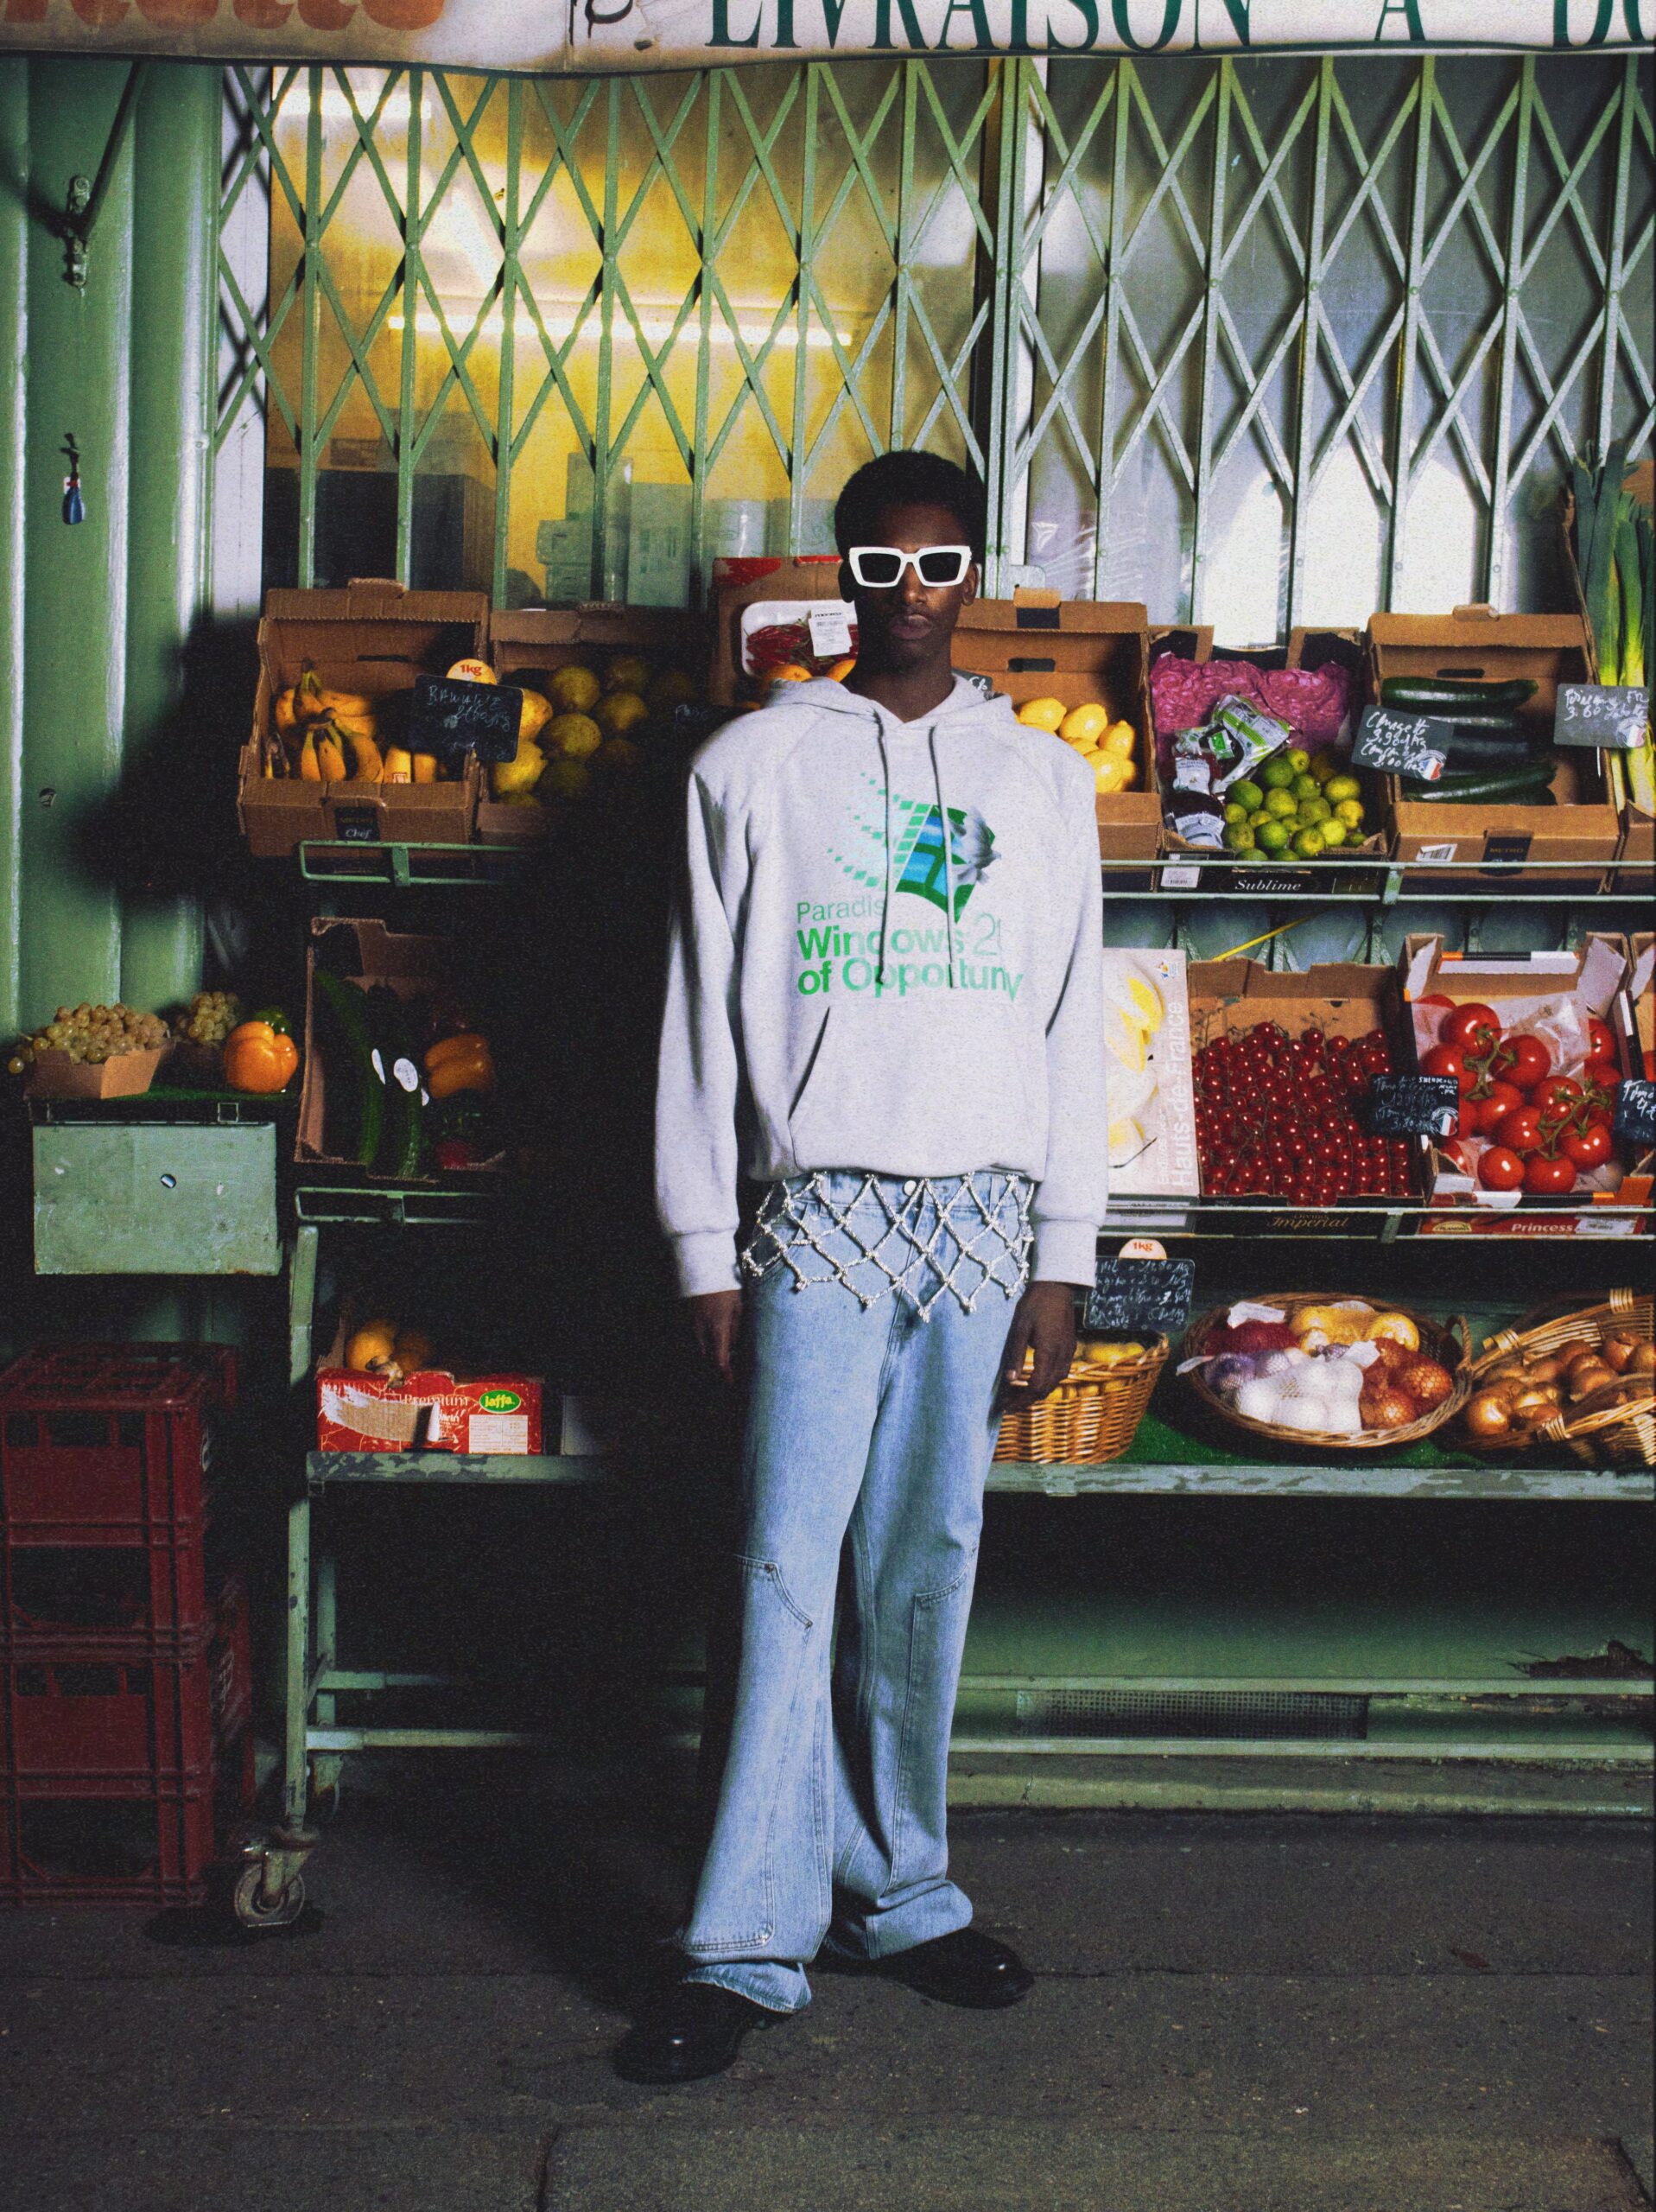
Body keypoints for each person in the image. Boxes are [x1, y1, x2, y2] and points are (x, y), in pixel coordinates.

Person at [617, 450, 1108, 2085]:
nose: (912, 593)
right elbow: (699, 1019)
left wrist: (1059, 1256)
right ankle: (744, 1941)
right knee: (779, 1564)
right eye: (882, 566)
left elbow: (1071, 1025)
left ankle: (899, 1891)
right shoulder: (752, 763)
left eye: (941, 563)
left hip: (979, 1222)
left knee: (926, 1561)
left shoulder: (1040, 781)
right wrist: (703, 1248)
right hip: (813, 1216)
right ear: (841, 578)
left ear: (977, 578)